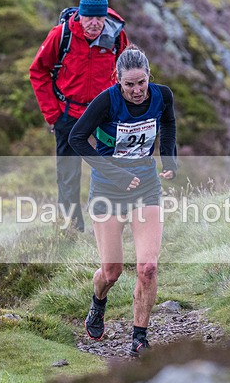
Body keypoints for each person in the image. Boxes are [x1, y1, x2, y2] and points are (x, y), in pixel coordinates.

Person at [69, 45, 177, 357]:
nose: (137, 90)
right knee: (111, 271)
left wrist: (169, 158)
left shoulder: (161, 95)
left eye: (141, 82)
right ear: (118, 81)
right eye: (129, 84)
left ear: (148, 77)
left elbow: (168, 123)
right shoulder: (107, 102)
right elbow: (77, 138)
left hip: (146, 187)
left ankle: (139, 338)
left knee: (148, 268)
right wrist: (115, 174)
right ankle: (97, 303)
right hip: (108, 191)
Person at [30, 0, 129, 233]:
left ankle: (112, 224)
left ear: (105, 16)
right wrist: (53, 115)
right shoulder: (61, 35)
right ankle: (71, 227)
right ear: (80, 15)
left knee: (112, 167)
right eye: (89, 17)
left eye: (99, 18)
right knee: (68, 175)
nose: (94, 23)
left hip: (105, 117)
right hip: (69, 115)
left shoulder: (117, 37)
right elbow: (38, 71)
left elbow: (127, 72)